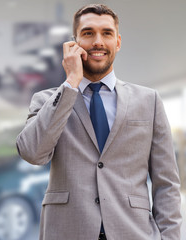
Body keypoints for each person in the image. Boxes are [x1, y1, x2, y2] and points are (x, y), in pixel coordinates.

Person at [16, 4, 182, 240]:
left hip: (133, 232)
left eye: (106, 33)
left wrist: (170, 237)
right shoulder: (47, 100)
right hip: (67, 231)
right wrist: (71, 82)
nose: (98, 42)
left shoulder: (149, 101)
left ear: (118, 42)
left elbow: (166, 183)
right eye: (88, 33)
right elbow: (32, 153)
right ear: (74, 43)